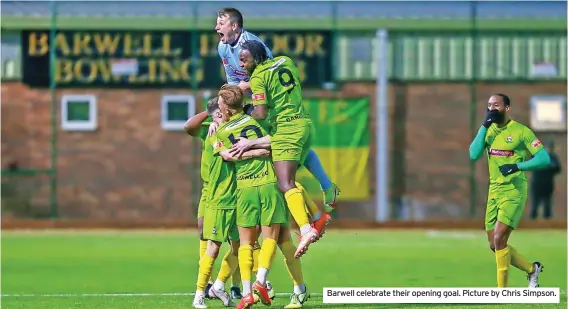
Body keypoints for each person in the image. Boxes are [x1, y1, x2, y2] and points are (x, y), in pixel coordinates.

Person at [215, 7, 340, 213]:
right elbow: (233, 82)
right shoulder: (223, 47)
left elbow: (267, 77)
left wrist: (243, 95)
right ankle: (323, 193)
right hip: (258, 103)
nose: (216, 27)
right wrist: (232, 102)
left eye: (221, 22)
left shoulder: (253, 47)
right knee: (290, 159)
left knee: (280, 170)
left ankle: (310, 216)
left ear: (234, 26)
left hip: (270, 108)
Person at [216, 85, 311, 308]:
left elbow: (229, 156)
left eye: (220, 103)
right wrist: (261, 150)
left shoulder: (222, 132)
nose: (218, 107)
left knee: (260, 242)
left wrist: (246, 151)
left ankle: (256, 289)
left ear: (228, 109)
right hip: (268, 184)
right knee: (279, 239)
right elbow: (274, 144)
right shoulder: (260, 121)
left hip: (248, 188)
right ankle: (284, 287)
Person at [185, 97, 263, 309]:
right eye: (223, 110)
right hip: (219, 198)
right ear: (218, 113)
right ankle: (199, 294)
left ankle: (220, 284)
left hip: (237, 196)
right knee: (213, 246)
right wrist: (262, 150)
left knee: (240, 245)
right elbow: (229, 156)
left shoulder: (230, 130)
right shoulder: (213, 134)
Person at [469, 93, 551, 288]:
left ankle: (502, 293)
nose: (491, 109)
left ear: (507, 108)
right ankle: (532, 269)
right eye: (489, 105)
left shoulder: (522, 132)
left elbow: (544, 158)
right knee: (494, 245)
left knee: (499, 238)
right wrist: (483, 126)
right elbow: (473, 154)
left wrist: (517, 167)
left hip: (514, 190)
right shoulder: (488, 132)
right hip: (494, 191)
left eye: (496, 105)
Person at [530, 140, 561, 219]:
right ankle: (532, 224)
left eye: (551, 148)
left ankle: (547, 226)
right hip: (537, 184)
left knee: (547, 205)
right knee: (535, 205)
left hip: (548, 185)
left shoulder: (553, 157)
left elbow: (558, 169)